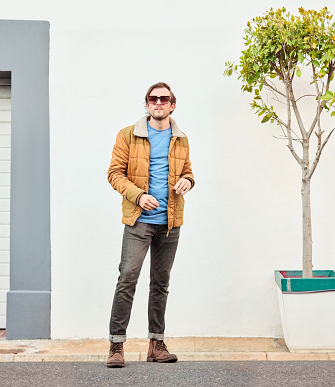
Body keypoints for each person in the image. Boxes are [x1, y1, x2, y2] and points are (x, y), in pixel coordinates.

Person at [106, 82, 194, 367]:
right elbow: (114, 174)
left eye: (163, 99)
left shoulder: (181, 139)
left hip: (169, 222)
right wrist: (139, 196)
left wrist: (187, 182)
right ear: (147, 104)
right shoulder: (127, 135)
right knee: (127, 279)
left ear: (172, 104)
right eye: (153, 99)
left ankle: (156, 344)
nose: (158, 102)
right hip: (138, 220)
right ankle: (116, 346)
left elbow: (189, 173)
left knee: (160, 283)